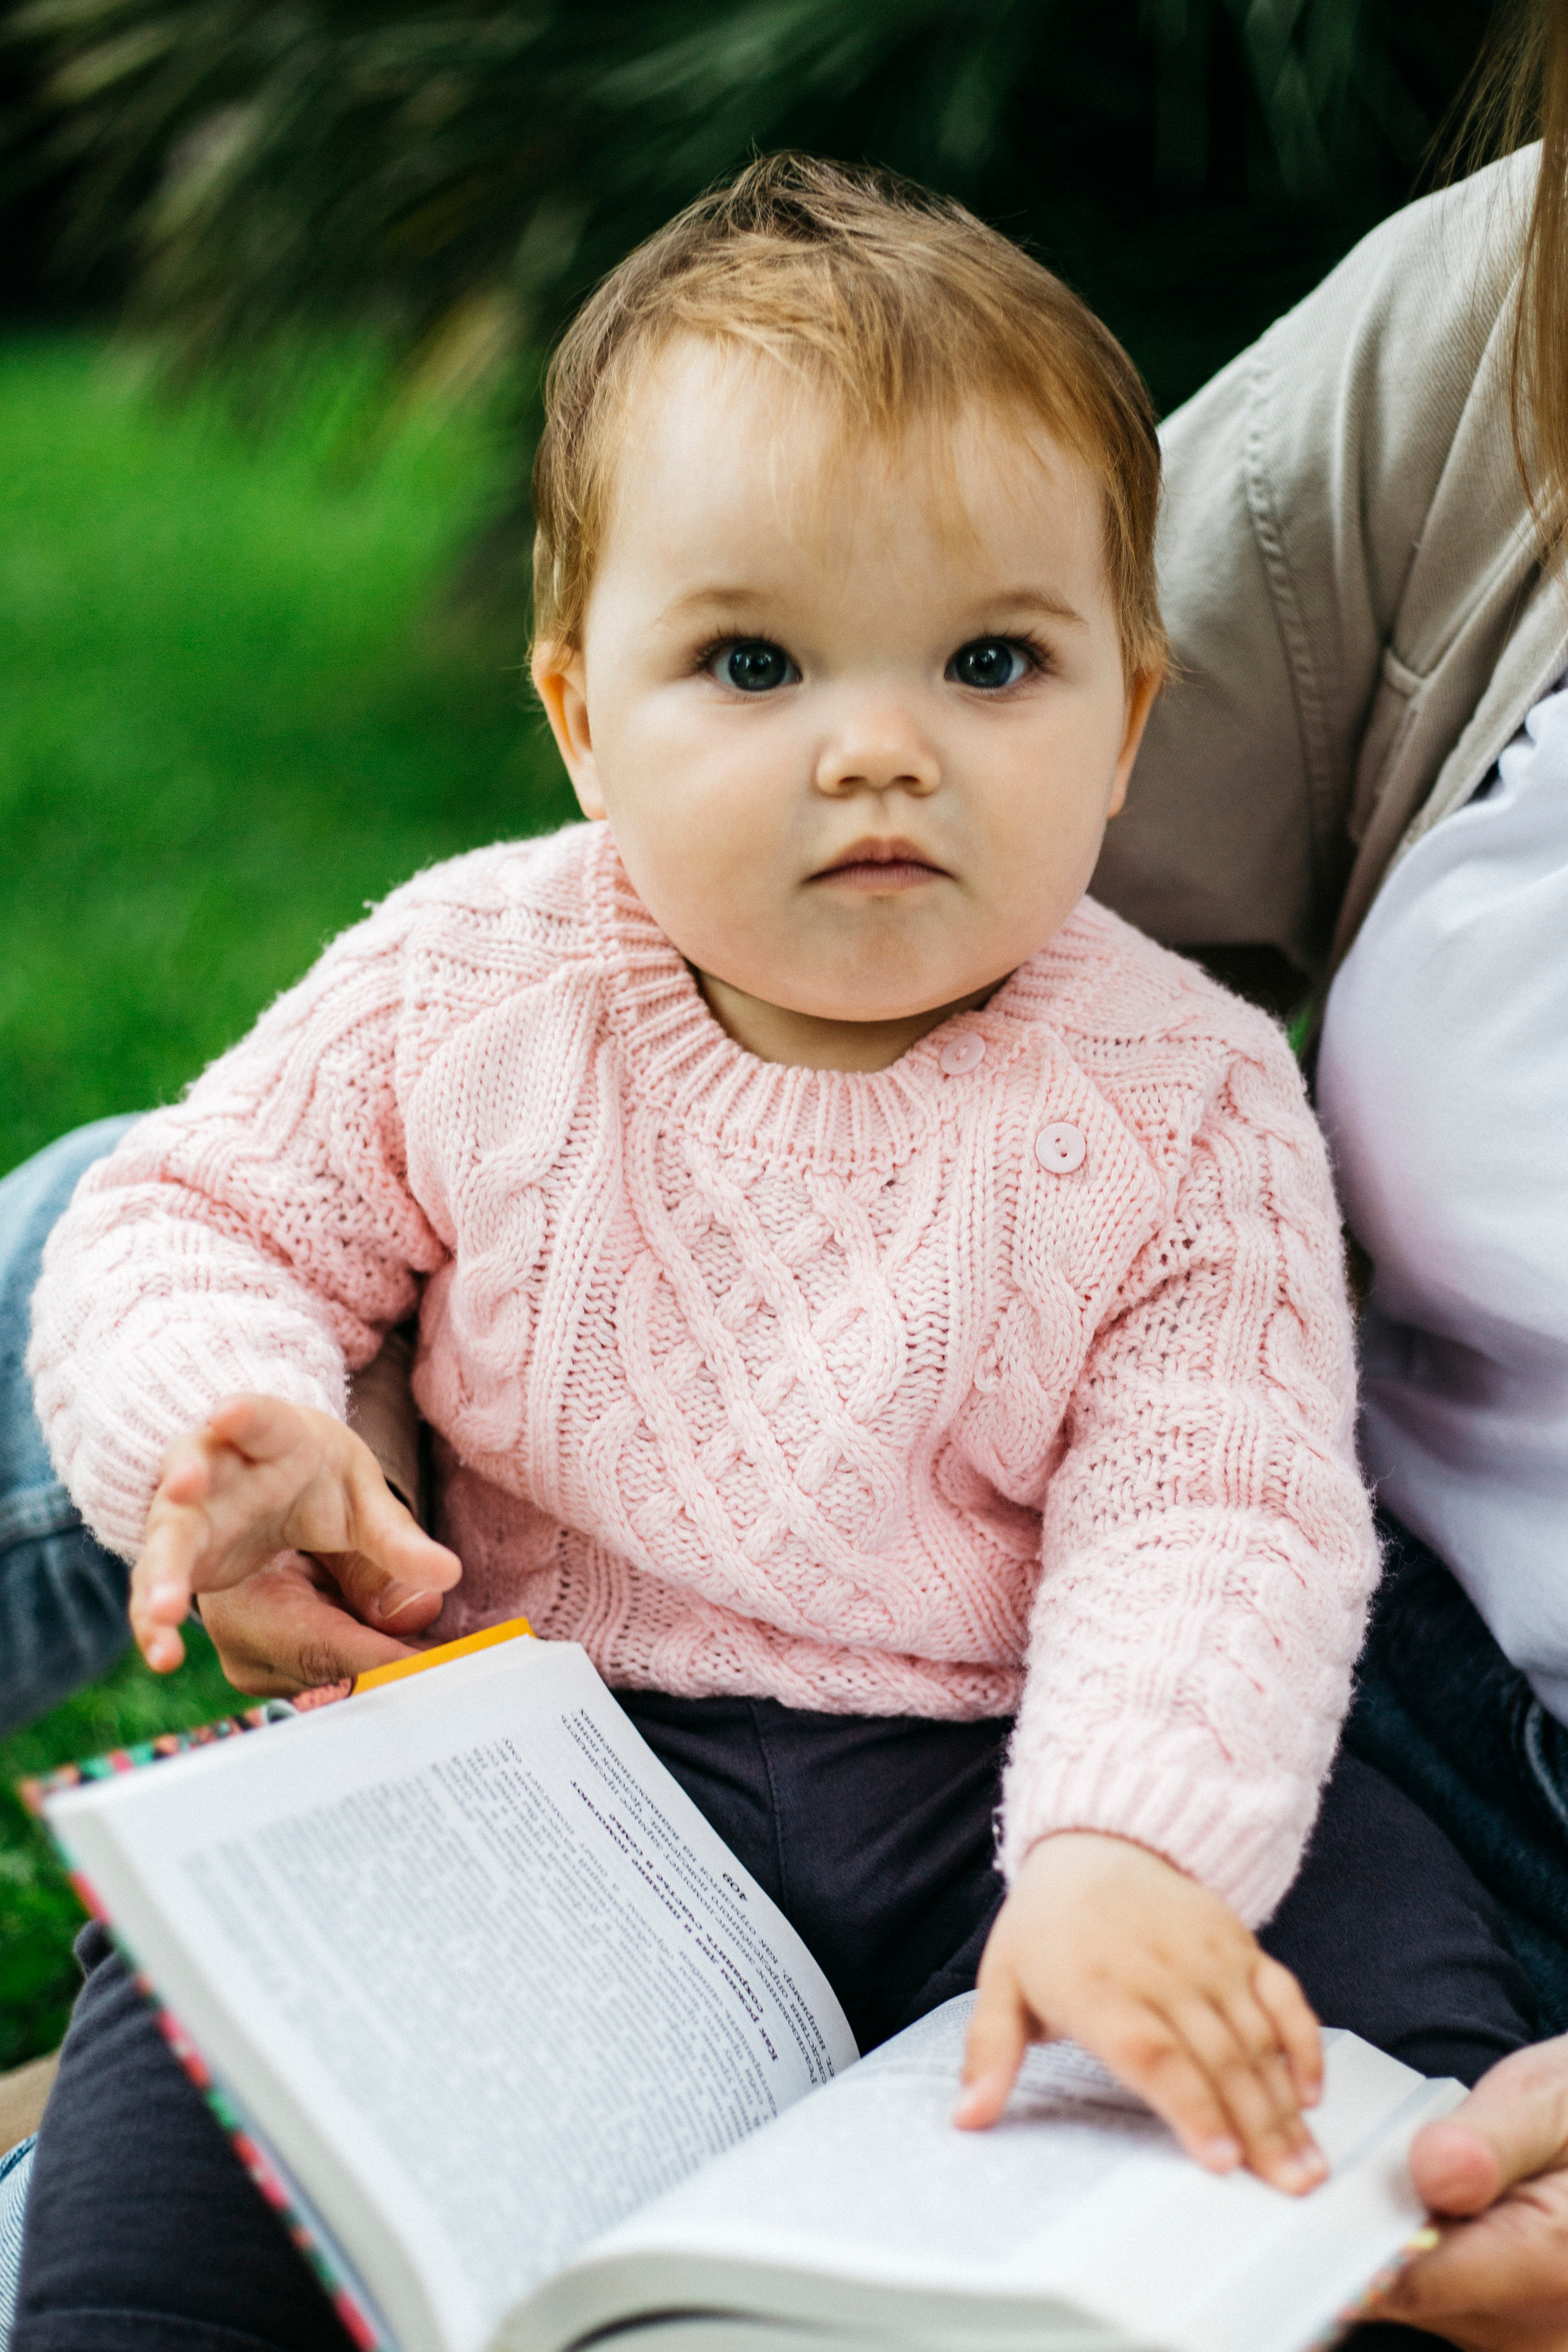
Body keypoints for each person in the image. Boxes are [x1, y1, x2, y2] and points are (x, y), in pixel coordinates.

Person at [10, 150, 1501, 2352]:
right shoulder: (470, 982)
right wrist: (229, 1408)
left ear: (1133, 720)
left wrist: (1124, 1849)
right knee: (202, 2111)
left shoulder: (1182, 1104)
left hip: (995, 1771)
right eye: (753, 662)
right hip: (528, 1737)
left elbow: (1216, 1515)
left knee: (1371, 2010)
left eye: (993, 659)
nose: (879, 745)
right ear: (580, 715)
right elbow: (200, 1210)